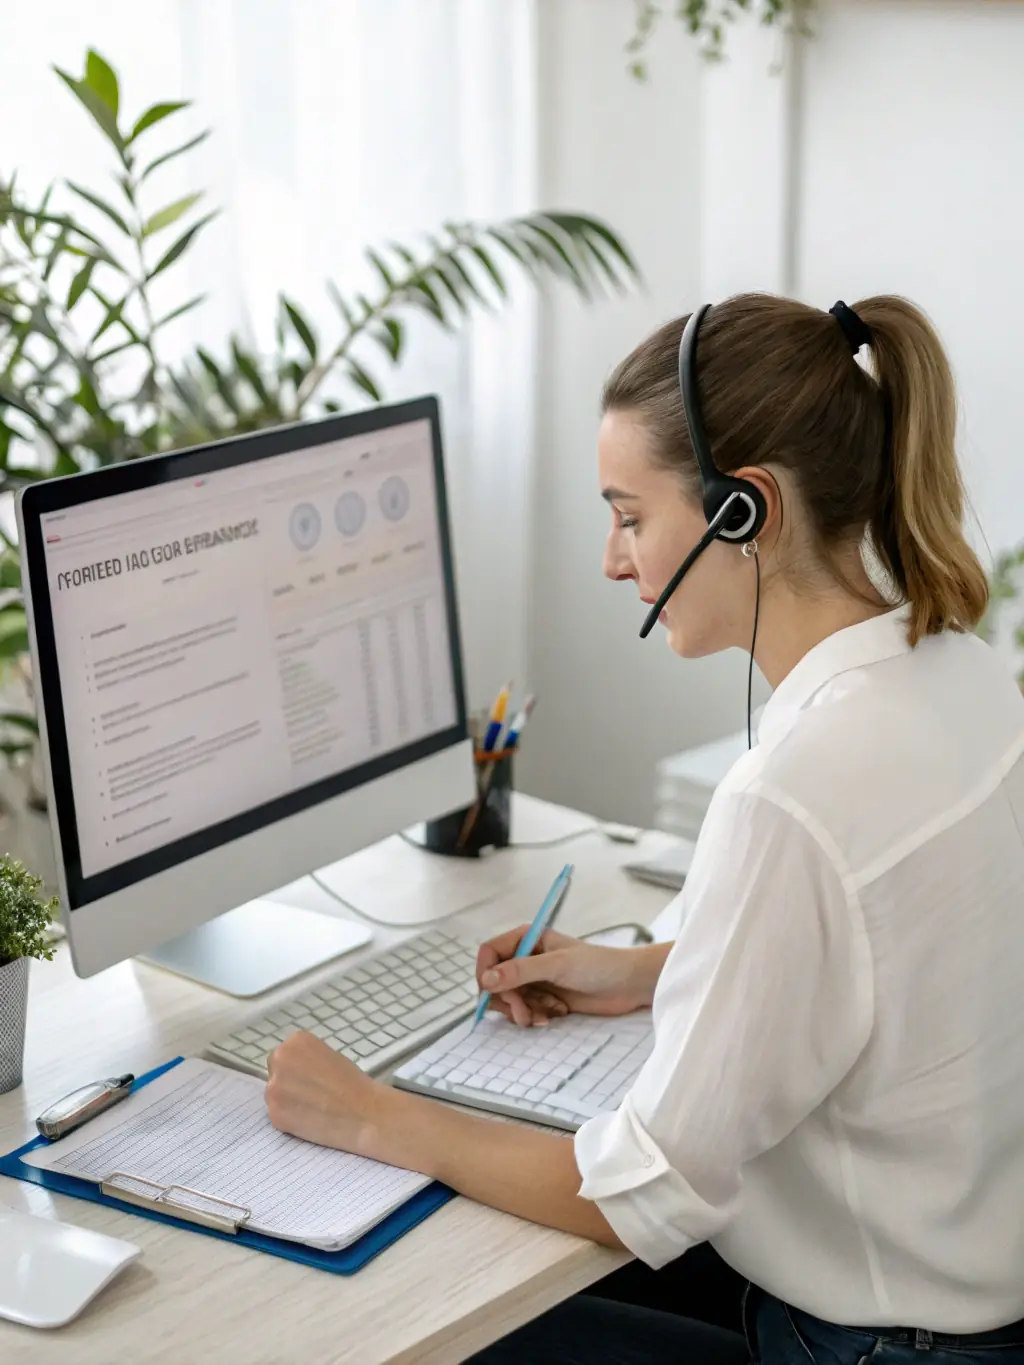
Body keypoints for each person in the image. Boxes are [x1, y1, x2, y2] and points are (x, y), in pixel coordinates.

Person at [263, 293, 1024, 1365]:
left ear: (744, 510)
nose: (613, 562)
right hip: (970, 1311)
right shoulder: (964, 673)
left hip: (868, 1346)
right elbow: (901, 959)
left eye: (629, 516)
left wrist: (371, 1114)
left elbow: (641, 1197)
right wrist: (656, 971)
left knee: (415, 1330)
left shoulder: (791, 796)